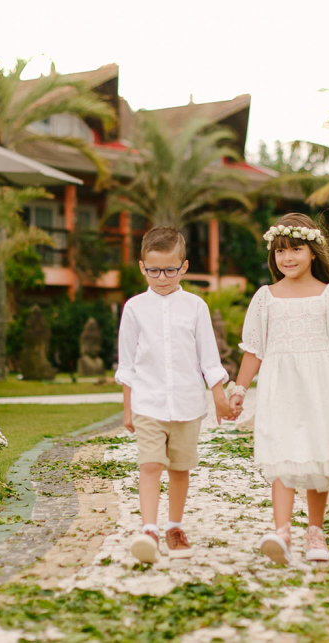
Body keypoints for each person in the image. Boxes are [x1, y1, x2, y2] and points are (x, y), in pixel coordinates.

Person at [229, 213, 329, 565]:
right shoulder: (265, 298)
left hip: (321, 387)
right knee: (282, 454)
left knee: (317, 454)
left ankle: (315, 532)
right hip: (280, 386)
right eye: (280, 252)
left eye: (296, 250)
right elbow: (254, 350)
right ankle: (282, 530)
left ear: (313, 252)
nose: (287, 258)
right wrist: (239, 390)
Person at [116, 227, 233, 563]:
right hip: (147, 402)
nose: (161, 277)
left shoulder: (196, 307)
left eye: (169, 269)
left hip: (187, 403)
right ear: (142, 267)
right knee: (150, 464)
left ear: (183, 267)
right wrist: (127, 408)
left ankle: (174, 526)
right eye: (153, 270)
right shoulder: (135, 308)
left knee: (180, 468)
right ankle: (149, 530)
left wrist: (219, 398)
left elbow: (209, 360)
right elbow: (127, 364)